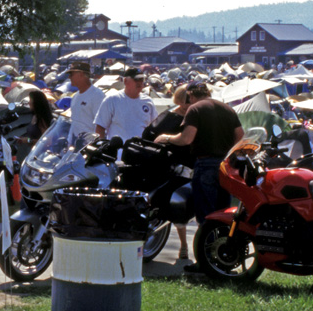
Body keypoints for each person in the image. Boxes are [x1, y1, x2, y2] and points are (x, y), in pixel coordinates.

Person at [154, 88, 243, 275]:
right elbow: (240, 135)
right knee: (222, 214)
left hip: (205, 165)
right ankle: (222, 258)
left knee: (206, 216)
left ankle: (204, 262)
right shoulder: (227, 109)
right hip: (225, 167)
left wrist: (167, 138)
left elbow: (187, 138)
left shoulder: (195, 109)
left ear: (191, 96)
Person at [143, 83, 209, 261]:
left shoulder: (182, 116)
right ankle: (184, 245)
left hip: (176, 165)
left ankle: (185, 246)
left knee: (179, 205)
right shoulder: (176, 117)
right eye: (188, 100)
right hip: (171, 166)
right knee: (175, 203)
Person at [94, 69, 157, 144]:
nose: (140, 83)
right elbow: (100, 128)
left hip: (141, 151)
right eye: (136, 79)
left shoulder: (148, 101)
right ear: (125, 81)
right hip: (117, 152)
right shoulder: (112, 100)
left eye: (141, 79)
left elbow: (154, 127)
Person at [65, 61, 102, 144]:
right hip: (74, 144)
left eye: (71, 74)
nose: (69, 77)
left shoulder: (97, 95)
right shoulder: (75, 96)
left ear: (81, 74)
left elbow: (100, 125)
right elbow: (74, 122)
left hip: (89, 144)